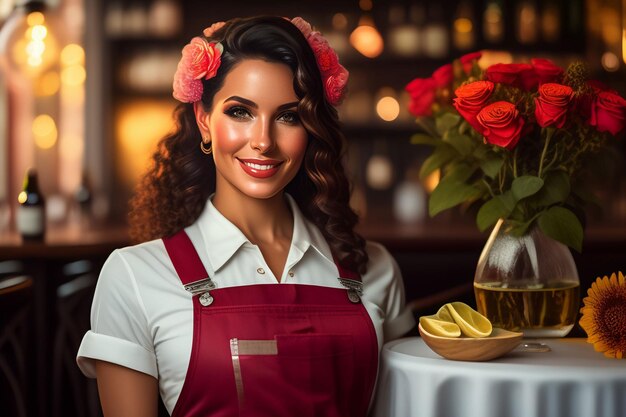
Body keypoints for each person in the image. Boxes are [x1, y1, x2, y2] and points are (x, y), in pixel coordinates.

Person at [77, 15, 414, 417]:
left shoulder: (374, 270)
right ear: (204, 119)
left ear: (311, 129)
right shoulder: (134, 276)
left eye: (289, 116)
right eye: (240, 112)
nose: (263, 141)